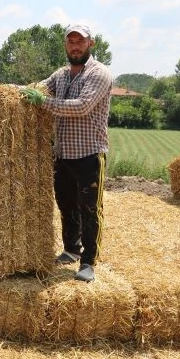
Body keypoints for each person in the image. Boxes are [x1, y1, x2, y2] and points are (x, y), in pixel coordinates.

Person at [20, 24, 112, 283]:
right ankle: (72, 250)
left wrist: (43, 102)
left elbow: (82, 106)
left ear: (90, 43)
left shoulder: (99, 73)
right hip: (63, 155)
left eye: (80, 41)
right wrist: (10, 91)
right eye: (71, 42)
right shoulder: (60, 75)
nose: (75, 46)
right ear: (65, 45)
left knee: (90, 209)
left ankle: (89, 262)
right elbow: (37, 87)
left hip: (89, 154)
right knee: (66, 204)